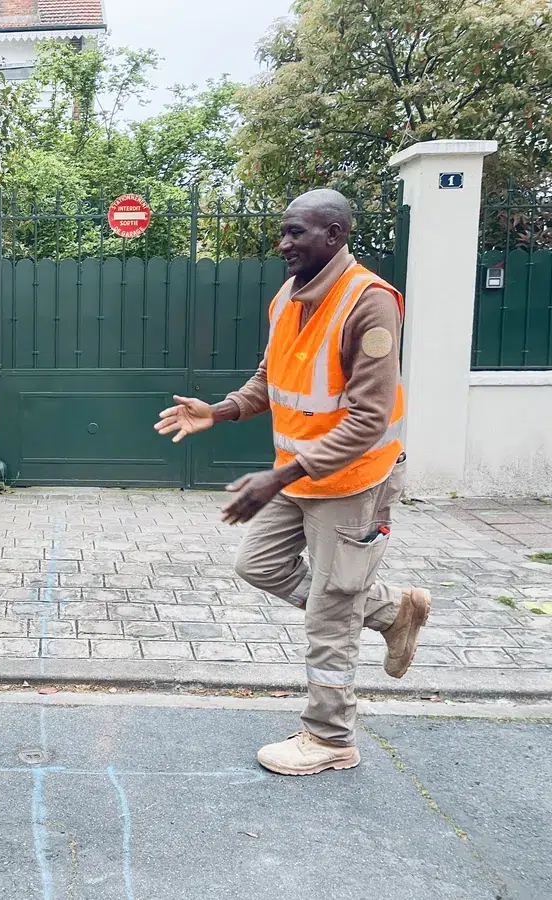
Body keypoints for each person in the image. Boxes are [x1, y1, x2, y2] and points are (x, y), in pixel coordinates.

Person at [155, 189, 430, 777]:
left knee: (331, 606)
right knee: (259, 564)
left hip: (355, 480)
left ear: (334, 235)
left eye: (296, 233)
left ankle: (330, 738)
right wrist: (219, 410)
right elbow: (269, 377)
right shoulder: (289, 296)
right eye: (283, 232)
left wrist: (278, 474)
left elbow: (368, 418)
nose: (284, 243)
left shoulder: (370, 303)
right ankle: (390, 610)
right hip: (303, 476)